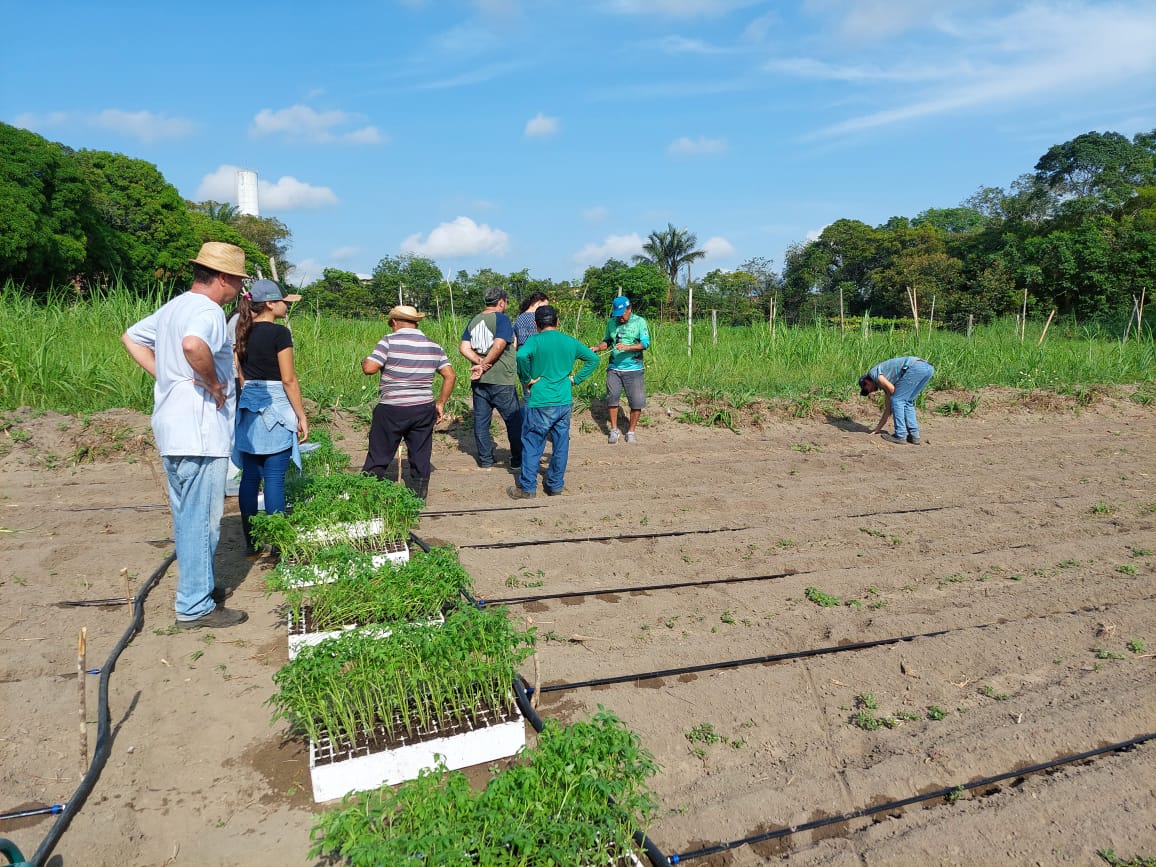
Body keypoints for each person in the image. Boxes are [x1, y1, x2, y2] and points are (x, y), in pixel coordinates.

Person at [121, 241, 249, 629]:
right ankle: (194, 606)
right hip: (199, 431)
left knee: (185, 512)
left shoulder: (175, 306)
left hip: (172, 426)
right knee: (201, 520)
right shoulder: (208, 310)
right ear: (223, 278)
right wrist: (211, 383)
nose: (237, 290)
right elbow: (193, 345)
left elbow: (131, 337)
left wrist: (169, 376)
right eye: (237, 281)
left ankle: (199, 585)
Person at [232, 279, 309, 554]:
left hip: (249, 405)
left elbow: (241, 377)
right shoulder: (279, 334)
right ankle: (277, 544)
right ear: (269, 304)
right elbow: (288, 379)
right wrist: (300, 414)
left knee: (250, 476)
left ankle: (251, 542)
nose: (286, 305)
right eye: (283, 301)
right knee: (275, 477)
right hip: (275, 404)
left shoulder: (243, 331)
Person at [362, 305, 456, 500]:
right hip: (423, 408)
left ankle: (366, 496)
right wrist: (440, 403)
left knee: (379, 454)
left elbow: (370, 369)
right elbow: (450, 375)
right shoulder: (433, 345)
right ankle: (417, 500)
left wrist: (364, 361)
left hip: (392, 408)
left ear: (395, 322)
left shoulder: (388, 341)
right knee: (420, 456)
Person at [508, 305, 599, 499]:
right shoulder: (569, 341)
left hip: (540, 400)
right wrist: (576, 379)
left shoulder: (534, 341)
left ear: (536, 324)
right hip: (563, 401)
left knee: (533, 443)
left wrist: (526, 379)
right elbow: (593, 359)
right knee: (560, 444)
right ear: (557, 322)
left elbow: (521, 355)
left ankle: (527, 488)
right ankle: (555, 485)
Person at [459, 287, 522, 470]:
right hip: (501, 379)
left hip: (479, 381)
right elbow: (500, 344)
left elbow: (463, 347)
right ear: (501, 302)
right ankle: (517, 459)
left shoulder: (474, 320)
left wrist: (479, 362)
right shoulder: (501, 319)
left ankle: (486, 460)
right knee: (513, 420)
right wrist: (485, 363)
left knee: (481, 421)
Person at [590, 295, 650, 444]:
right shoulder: (611, 323)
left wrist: (628, 348)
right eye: (617, 315)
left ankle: (631, 432)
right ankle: (614, 429)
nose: (620, 318)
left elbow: (645, 344)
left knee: (636, 402)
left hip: (634, 369)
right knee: (612, 398)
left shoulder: (640, 322)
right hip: (614, 368)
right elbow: (607, 341)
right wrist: (597, 348)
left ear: (629, 309)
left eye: (622, 314)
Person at [859, 356, 935, 445]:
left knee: (897, 400)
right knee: (907, 401)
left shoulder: (873, 374)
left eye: (866, 389)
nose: (870, 391)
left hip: (915, 368)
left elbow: (892, 391)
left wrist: (892, 399)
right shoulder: (887, 380)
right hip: (927, 368)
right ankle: (914, 436)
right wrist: (878, 429)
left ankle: (900, 435)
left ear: (867, 381)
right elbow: (888, 410)